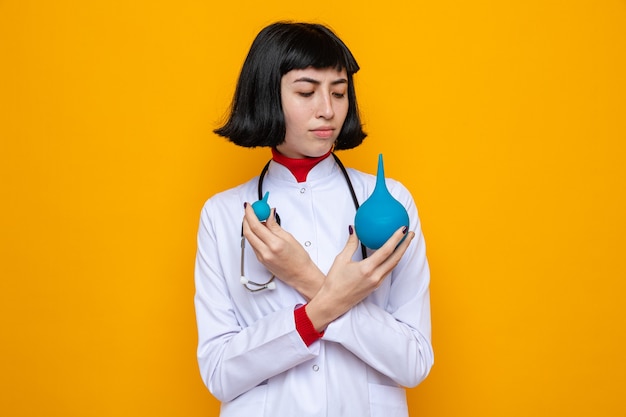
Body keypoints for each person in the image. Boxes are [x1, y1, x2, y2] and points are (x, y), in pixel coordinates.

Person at [194, 21, 433, 417]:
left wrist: (304, 276)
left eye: (339, 92)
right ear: (268, 95)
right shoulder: (221, 215)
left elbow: (415, 361)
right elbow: (220, 372)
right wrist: (315, 315)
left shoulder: (393, 203)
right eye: (306, 92)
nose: (328, 110)